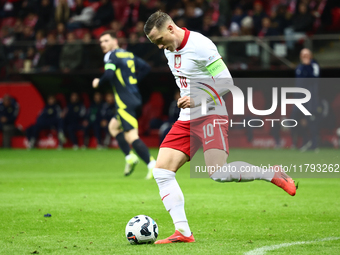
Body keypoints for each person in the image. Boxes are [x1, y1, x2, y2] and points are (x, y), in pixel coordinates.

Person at [144, 10, 298, 244]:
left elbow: (227, 82)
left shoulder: (201, 44)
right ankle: (183, 232)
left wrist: (198, 99)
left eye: (159, 40)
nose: (159, 47)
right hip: (186, 118)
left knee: (218, 173)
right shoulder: (169, 51)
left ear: (170, 29)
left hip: (210, 113)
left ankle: (271, 173)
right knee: (162, 172)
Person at [92, 30, 156, 179]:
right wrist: (132, 82)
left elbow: (108, 75)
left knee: (132, 136)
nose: (103, 44)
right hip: (134, 97)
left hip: (125, 102)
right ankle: (130, 157)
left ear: (115, 41)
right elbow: (146, 67)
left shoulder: (111, 56)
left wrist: (98, 83)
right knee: (113, 127)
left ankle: (152, 165)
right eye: (101, 42)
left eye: (106, 40)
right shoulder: (127, 54)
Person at [292, 48, 320, 152]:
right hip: (299, 100)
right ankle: (306, 141)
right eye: (303, 55)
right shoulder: (299, 67)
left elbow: (313, 79)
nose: (304, 57)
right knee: (295, 120)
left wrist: (307, 66)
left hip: (310, 100)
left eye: (306, 55)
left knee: (311, 122)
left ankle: (314, 145)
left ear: (310, 56)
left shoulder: (314, 66)